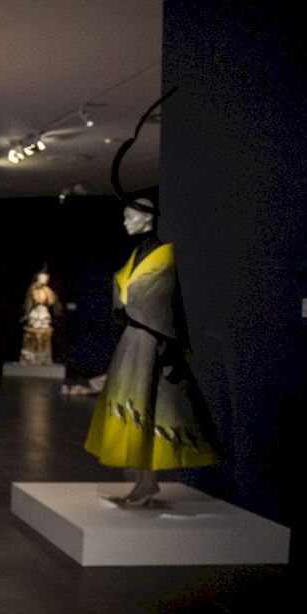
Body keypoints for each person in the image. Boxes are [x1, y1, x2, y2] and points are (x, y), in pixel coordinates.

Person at [84, 197, 219, 504]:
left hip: (154, 343)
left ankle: (148, 483)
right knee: (136, 405)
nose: (125, 222)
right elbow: (125, 298)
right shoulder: (137, 256)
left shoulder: (165, 257)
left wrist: (169, 344)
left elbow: (161, 303)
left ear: (146, 218)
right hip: (134, 343)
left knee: (153, 406)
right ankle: (144, 483)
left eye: (129, 216)